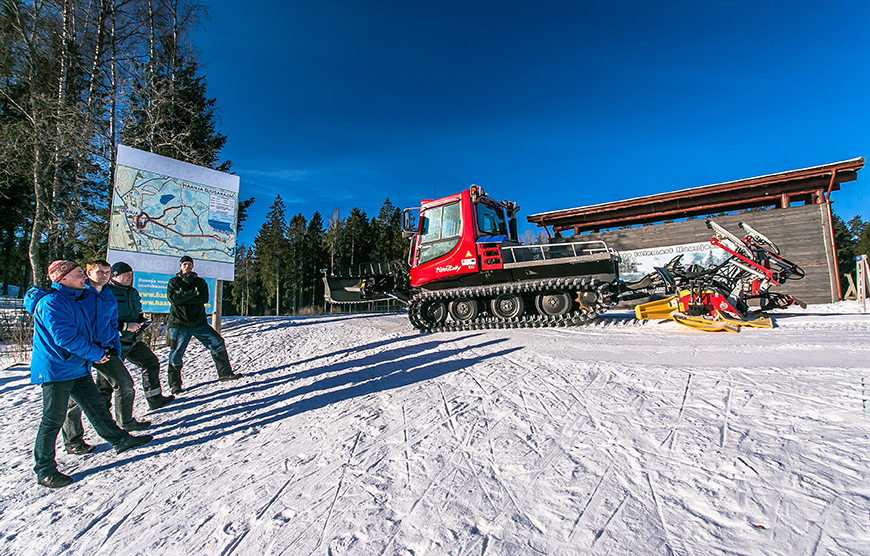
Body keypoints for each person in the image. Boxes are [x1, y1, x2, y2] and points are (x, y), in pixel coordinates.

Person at [25, 260, 153, 488]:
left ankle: (121, 440)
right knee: (52, 419)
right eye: (78, 274)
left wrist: (103, 348)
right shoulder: (52, 303)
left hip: (76, 366)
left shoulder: (74, 298)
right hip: (57, 369)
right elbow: (66, 338)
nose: (83, 276)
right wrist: (95, 354)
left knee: (96, 407)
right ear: (62, 278)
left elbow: (94, 327)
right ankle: (44, 470)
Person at [62, 260, 150, 455]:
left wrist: (115, 348)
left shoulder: (108, 294)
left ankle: (125, 422)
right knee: (74, 399)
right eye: (100, 271)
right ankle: (73, 441)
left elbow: (111, 324)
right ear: (88, 272)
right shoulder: (79, 293)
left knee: (124, 383)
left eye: (107, 272)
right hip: (82, 351)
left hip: (105, 349)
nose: (104, 275)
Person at [166, 255, 242, 393]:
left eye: (190, 264)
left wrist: (185, 295)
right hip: (179, 323)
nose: (187, 267)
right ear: (180, 266)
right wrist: (192, 294)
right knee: (176, 353)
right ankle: (175, 385)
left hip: (198, 322)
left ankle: (225, 373)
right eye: (185, 264)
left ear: (193, 266)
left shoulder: (200, 282)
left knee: (217, 342)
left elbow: (203, 298)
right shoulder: (174, 282)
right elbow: (174, 300)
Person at [105, 261, 175, 410]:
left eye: (131, 274)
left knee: (150, 363)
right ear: (115, 276)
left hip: (133, 340)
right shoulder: (107, 292)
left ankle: (154, 398)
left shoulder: (133, 292)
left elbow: (135, 312)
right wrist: (124, 326)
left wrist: (141, 320)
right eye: (126, 274)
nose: (130, 277)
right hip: (115, 342)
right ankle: (102, 413)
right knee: (107, 380)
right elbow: (102, 320)